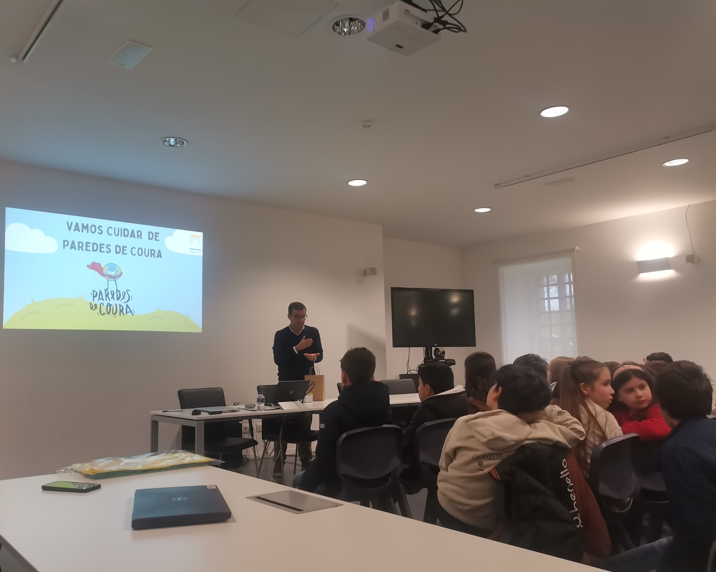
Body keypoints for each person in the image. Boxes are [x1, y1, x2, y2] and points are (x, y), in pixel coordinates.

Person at [436, 364, 586, 536]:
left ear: (497, 392)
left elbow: (444, 465)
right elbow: (576, 430)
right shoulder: (536, 432)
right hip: (497, 522)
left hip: (450, 509)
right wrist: (539, 408)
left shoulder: (465, 424)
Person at [602, 361, 716, 572]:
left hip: (707, 547)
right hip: (703, 539)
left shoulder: (679, 451)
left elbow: (695, 531)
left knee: (608, 566)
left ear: (661, 403)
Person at [294, 347, 391, 496]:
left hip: (342, 483)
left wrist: (302, 490)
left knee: (297, 479)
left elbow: (323, 464)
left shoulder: (333, 412)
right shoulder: (386, 408)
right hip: (383, 477)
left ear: (343, 376)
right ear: (373, 376)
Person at [270, 302, 323, 477]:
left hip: (308, 382)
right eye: (297, 317)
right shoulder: (281, 335)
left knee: (305, 421)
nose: (301, 320)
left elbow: (320, 354)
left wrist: (313, 358)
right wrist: (297, 348)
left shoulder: (313, 332)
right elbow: (279, 359)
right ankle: (278, 463)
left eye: (303, 316)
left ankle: (306, 462)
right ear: (289, 317)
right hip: (287, 382)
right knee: (283, 422)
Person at [401, 362, 468, 485]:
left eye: (419, 384)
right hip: (456, 462)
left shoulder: (426, 411)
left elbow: (405, 443)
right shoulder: (465, 403)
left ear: (427, 388)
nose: (418, 388)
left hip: (424, 467)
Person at [558, 357, 622, 475]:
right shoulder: (604, 418)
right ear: (584, 388)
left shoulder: (558, 415)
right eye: (606, 384)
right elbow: (621, 462)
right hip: (604, 482)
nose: (612, 390)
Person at [609, 368, 670, 441]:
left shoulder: (658, 406)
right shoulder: (616, 414)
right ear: (618, 396)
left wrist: (617, 431)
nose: (639, 394)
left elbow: (657, 429)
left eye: (642, 387)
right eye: (629, 391)